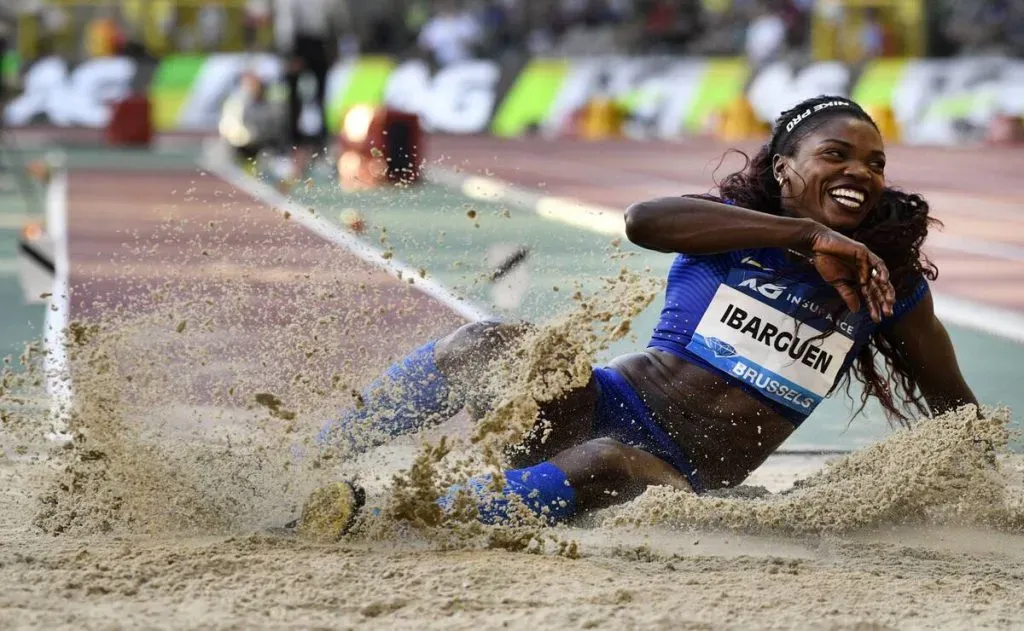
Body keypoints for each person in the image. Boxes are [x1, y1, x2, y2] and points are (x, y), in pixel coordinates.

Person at [308, 95, 979, 534]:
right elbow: (642, 221)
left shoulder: (883, 286)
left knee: (611, 460)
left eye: (875, 162)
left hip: (675, 474)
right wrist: (803, 238)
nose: (860, 170)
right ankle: (305, 466)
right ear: (783, 168)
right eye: (837, 154)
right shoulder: (727, 227)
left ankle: (391, 517)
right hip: (597, 403)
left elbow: (955, 406)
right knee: (489, 341)